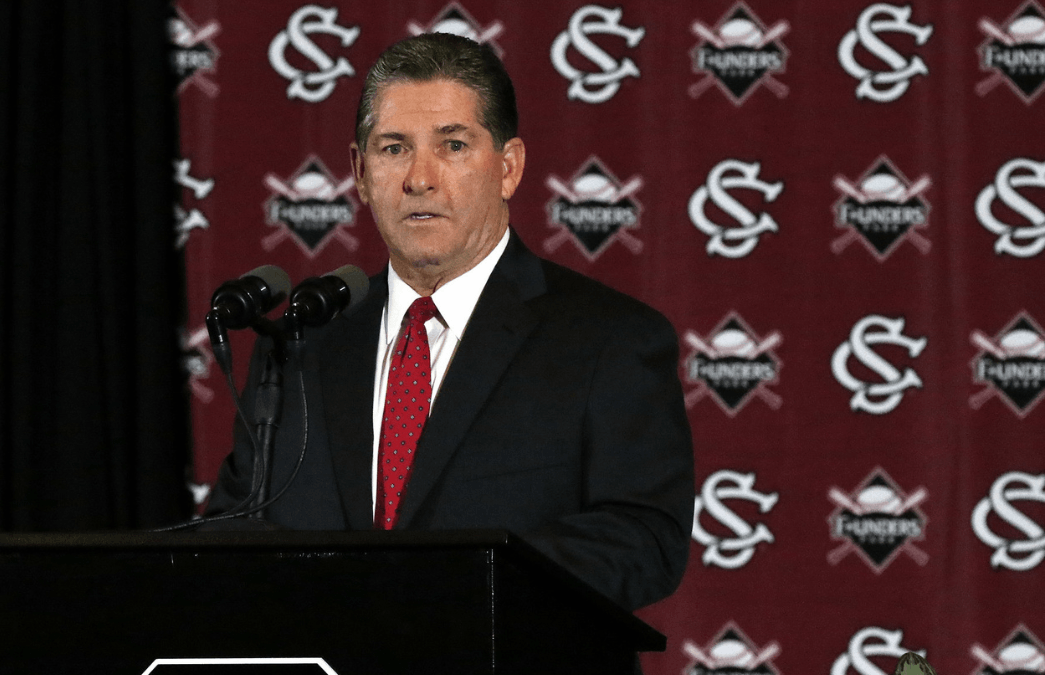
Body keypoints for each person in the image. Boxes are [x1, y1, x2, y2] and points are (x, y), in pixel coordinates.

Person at [203, 33, 693, 611]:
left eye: (453, 145)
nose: (420, 178)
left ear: (508, 167)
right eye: (393, 149)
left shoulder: (609, 339)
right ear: (360, 172)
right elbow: (231, 534)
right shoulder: (299, 342)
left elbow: (643, 540)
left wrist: (441, 590)